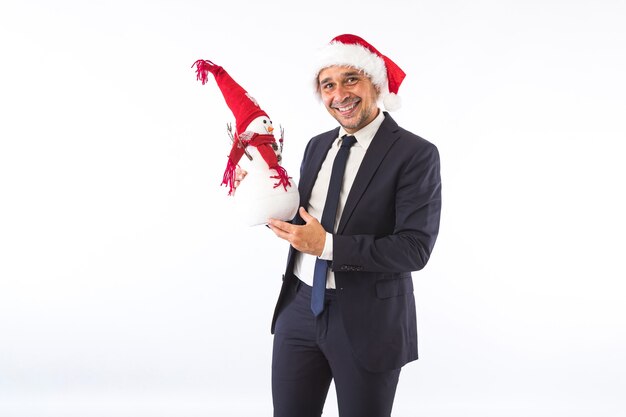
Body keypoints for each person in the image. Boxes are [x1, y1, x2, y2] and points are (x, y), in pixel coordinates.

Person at [239, 34, 441, 417]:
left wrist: (328, 246)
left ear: (374, 85)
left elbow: (415, 248)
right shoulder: (317, 145)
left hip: (367, 318)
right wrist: (258, 191)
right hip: (299, 308)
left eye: (351, 79)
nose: (340, 94)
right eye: (328, 85)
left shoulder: (416, 154)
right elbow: (305, 223)